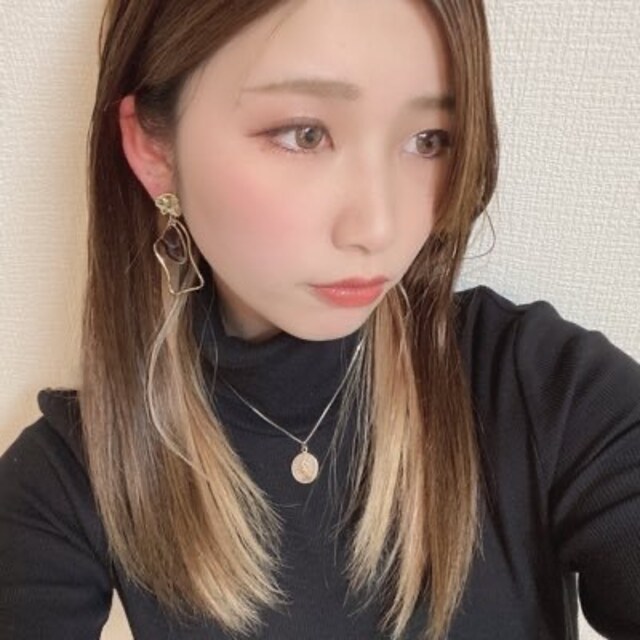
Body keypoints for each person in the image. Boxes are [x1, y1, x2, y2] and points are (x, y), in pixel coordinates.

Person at [1, 1, 639, 638]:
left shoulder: (545, 393)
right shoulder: (70, 483)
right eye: (305, 134)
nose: (379, 228)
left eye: (429, 140)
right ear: (154, 148)